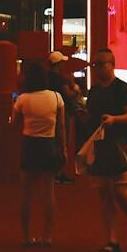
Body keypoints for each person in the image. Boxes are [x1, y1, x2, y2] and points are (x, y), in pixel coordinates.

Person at [83, 48, 127, 252]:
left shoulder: (122, 88)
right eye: (95, 64)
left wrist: (114, 119)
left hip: (120, 142)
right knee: (103, 193)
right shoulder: (94, 91)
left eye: (101, 63)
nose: (98, 68)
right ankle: (112, 239)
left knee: (119, 188)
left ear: (112, 64)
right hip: (100, 143)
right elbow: (91, 116)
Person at [11, 60, 69, 245]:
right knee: (49, 192)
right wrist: (64, 148)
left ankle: (26, 236)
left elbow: (14, 124)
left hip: (29, 144)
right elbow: (61, 127)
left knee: (26, 194)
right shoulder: (56, 97)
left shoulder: (22, 99)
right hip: (48, 145)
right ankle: (47, 236)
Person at [48, 50, 82, 184]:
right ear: (59, 64)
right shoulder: (61, 79)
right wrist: (77, 91)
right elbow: (68, 95)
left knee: (51, 142)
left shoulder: (45, 77)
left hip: (48, 112)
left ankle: (50, 172)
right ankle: (58, 173)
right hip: (63, 112)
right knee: (62, 142)